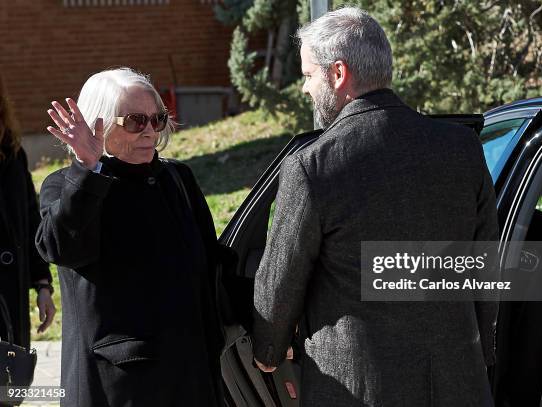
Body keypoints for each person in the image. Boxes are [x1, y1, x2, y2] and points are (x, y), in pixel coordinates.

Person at [252, 7, 499, 406]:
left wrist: (268, 352)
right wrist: (481, 354)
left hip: (355, 388)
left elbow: (280, 283)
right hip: (459, 380)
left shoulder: (313, 166)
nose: (305, 89)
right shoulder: (462, 148)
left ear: (338, 73)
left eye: (308, 75)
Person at [36, 67, 223, 406]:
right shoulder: (69, 184)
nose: (150, 131)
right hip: (119, 385)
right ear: (100, 125)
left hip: (191, 376)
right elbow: (59, 247)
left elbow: (212, 262)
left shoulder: (177, 177)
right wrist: (87, 169)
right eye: (136, 121)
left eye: (158, 118)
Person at [0, 72, 55, 349]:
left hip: (10, 301)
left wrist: (42, 284)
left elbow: (31, 220)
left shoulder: (11, 152)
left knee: (9, 385)